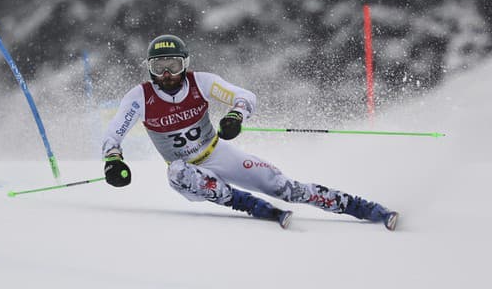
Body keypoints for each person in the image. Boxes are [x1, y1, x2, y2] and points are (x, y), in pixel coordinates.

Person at [101, 34, 399, 230]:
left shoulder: (201, 82)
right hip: (188, 174)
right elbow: (113, 135)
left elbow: (245, 96)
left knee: (286, 188)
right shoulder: (139, 96)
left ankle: (365, 208)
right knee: (178, 171)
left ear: (185, 64)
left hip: (217, 153)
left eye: (173, 65)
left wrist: (235, 116)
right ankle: (251, 206)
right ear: (150, 68)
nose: (167, 74)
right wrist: (113, 160)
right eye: (159, 66)